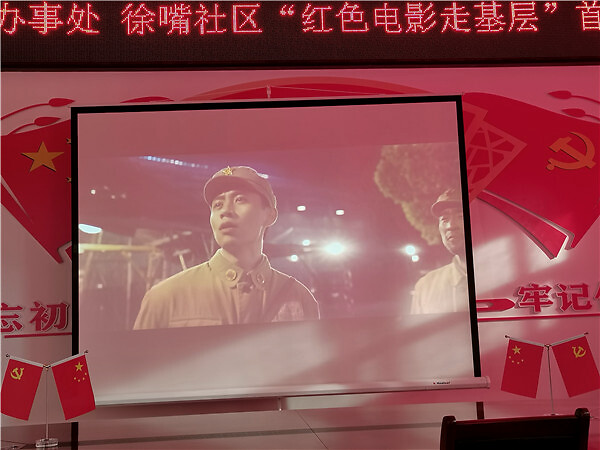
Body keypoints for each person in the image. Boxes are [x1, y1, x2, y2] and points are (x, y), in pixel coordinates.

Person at [134, 166, 320, 329]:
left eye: (240, 200)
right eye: (217, 204)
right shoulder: (165, 298)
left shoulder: (299, 298)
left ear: (269, 215)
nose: (225, 211)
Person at [410, 188, 469, 314]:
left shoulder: (505, 276)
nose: (451, 226)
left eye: (461, 216)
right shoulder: (425, 287)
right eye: (444, 219)